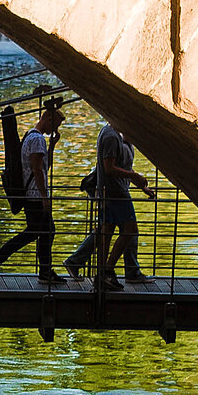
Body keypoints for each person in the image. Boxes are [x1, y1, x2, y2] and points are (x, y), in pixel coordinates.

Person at [65, 116, 156, 290]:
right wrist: (134, 176)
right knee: (130, 230)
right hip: (115, 193)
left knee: (106, 232)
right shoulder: (111, 136)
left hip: (113, 192)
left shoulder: (117, 136)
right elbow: (109, 168)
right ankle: (108, 270)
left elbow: (123, 167)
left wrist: (142, 186)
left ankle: (103, 275)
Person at [0, 99, 64, 283]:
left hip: (34, 195)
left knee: (47, 231)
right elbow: (37, 170)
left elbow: (45, 167)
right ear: (47, 119)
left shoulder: (31, 136)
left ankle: (44, 272)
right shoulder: (37, 140)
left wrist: (52, 145)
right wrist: (45, 197)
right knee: (34, 232)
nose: (55, 130)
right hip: (35, 196)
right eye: (55, 125)